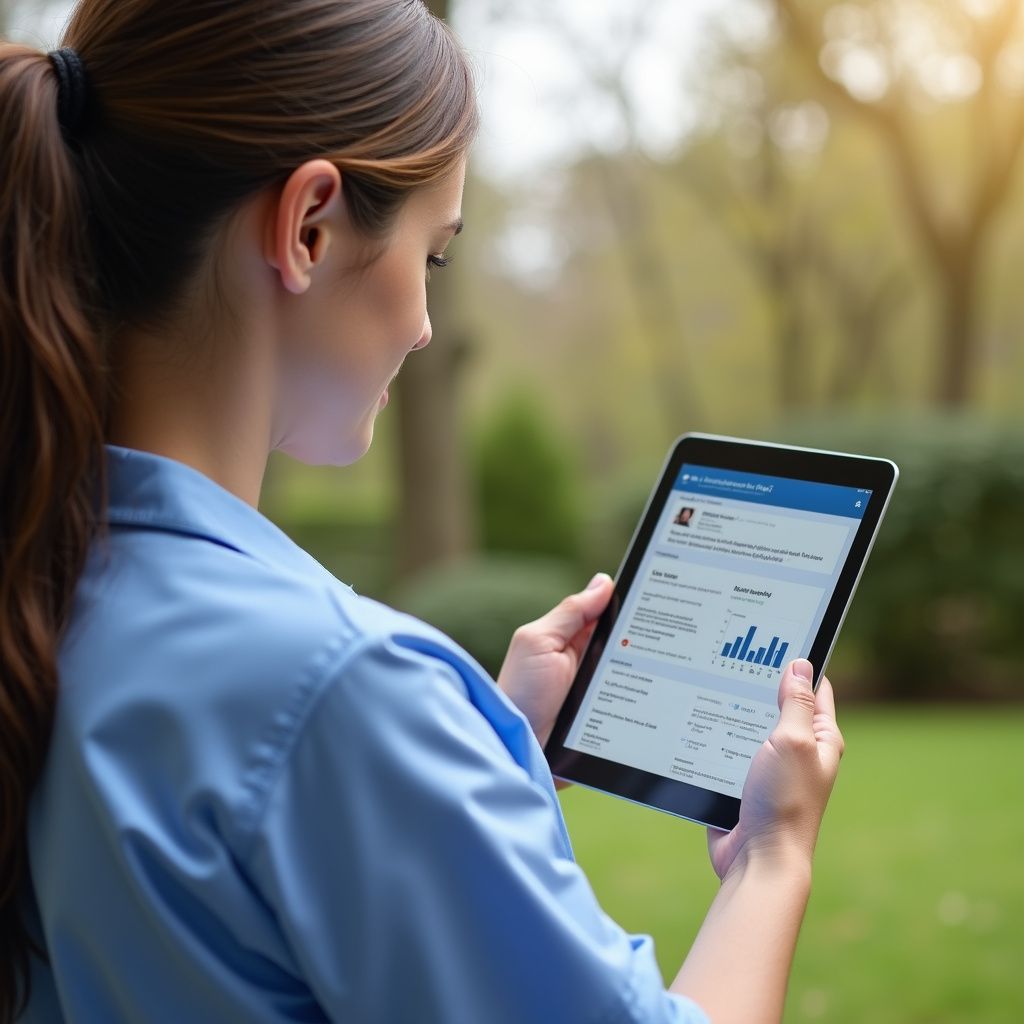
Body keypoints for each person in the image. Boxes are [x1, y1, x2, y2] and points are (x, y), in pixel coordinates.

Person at [0, 2, 845, 1022]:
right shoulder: (339, 691)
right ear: (307, 226)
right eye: (432, 255)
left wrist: (473, 752)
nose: (425, 323)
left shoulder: (41, 583)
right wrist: (772, 853)